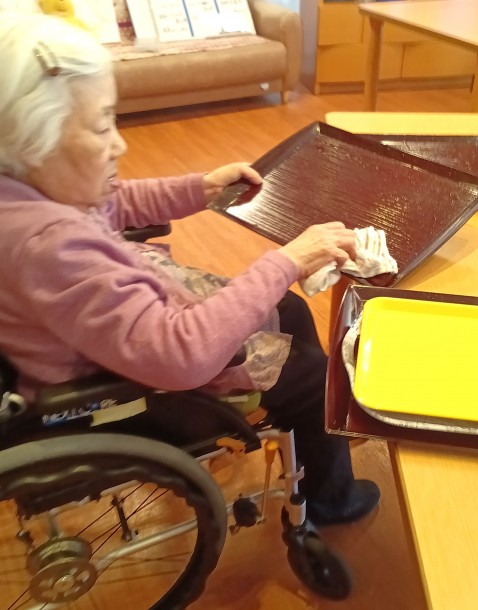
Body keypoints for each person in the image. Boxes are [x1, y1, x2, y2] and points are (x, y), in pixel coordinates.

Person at [0, 13, 379, 526]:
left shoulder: (26, 191)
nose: (120, 144)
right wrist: (287, 260)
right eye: (102, 126)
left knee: (287, 309)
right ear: (32, 141)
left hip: (112, 338)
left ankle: (313, 435)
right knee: (312, 375)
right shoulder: (50, 247)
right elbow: (183, 356)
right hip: (126, 393)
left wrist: (200, 189)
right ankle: (332, 495)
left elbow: (111, 201)